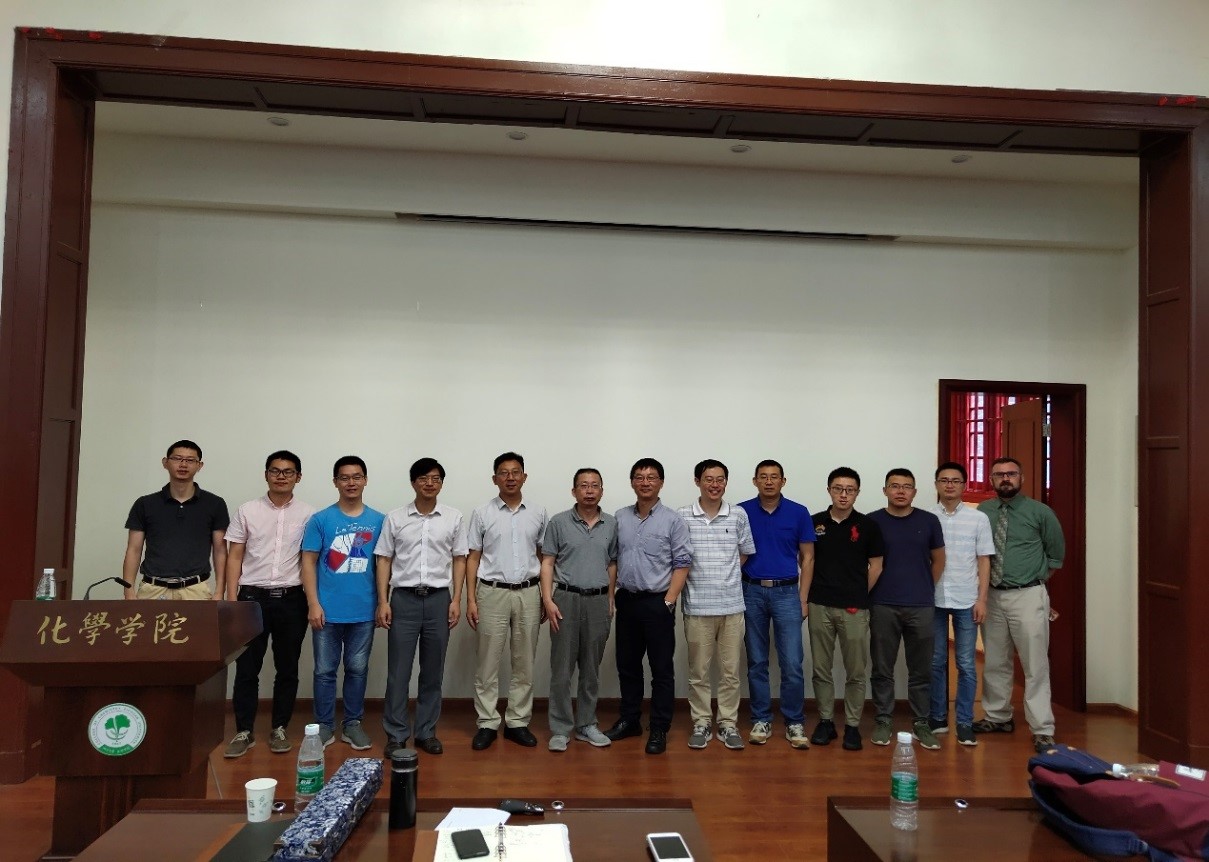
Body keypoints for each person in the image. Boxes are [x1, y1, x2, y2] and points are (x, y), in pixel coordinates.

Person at [222, 451, 315, 758]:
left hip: (292, 599)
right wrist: (231, 599)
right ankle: (244, 731)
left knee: (287, 668)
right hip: (252, 599)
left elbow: (310, 560)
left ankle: (279, 728)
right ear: (266, 475)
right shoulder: (247, 510)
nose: (281, 476)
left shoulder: (309, 515)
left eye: (288, 472)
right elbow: (234, 556)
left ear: (298, 477)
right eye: (275, 471)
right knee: (247, 667)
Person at [374, 458, 467, 758]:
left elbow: (460, 559)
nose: (430, 483)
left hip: (439, 599)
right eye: (424, 478)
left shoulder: (453, 517)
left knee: (432, 671)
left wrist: (456, 599)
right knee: (398, 672)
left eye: (436, 478)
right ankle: (396, 734)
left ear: (441, 483)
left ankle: (426, 732)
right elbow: (384, 559)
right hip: (403, 599)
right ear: (413, 482)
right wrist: (383, 601)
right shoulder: (395, 518)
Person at [974, 456, 1065, 753]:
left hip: (1028, 595)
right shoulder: (983, 512)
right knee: (995, 660)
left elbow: (1055, 555)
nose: (1005, 478)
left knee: (1034, 664)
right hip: (992, 595)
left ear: (1021, 478)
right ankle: (998, 716)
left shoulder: (1040, 512)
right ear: (991, 479)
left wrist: (1034, 580)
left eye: (1011, 473)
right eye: (999, 474)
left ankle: (1042, 728)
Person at [605, 457, 692, 755]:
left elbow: (683, 563)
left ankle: (659, 727)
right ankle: (630, 720)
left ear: (661, 483)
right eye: (639, 477)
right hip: (627, 600)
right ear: (632, 482)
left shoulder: (673, 520)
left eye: (651, 477)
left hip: (658, 602)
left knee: (661, 669)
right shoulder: (619, 517)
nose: (645, 482)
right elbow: (613, 559)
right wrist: (611, 596)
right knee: (627, 665)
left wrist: (669, 600)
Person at [301, 456, 385, 749]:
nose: (351, 483)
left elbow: (384, 565)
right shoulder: (321, 520)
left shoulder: (379, 521)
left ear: (365, 480)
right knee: (324, 671)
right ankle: (324, 726)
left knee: (357, 669)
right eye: (345, 477)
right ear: (335, 482)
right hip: (327, 611)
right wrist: (313, 603)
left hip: (363, 610)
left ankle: (352, 724)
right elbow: (308, 562)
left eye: (357, 477)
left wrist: (382, 602)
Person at [466, 452, 547, 750]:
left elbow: (544, 557)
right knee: (487, 661)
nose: (510, 477)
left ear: (524, 476)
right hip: (491, 592)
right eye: (504, 472)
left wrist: (546, 596)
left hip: (529, 592)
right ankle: (487, 722)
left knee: (524, 661)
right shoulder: (482, 513)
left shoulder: (539, 512)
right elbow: (472, 557)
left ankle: (517, 722)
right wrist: (470, 599)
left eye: (515, 472)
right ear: (494, 478)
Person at [678, 459, 755, 751]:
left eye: (720, 479)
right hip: (697, 607)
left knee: (730, 671)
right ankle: (701, 722)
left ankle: (728, 723)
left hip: (732, 607)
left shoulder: (738, 515)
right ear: (697, 481)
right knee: (698, 671)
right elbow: (678, 558)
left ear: (726, 482)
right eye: (708, 479)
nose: (715, 485)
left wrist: (725, 575)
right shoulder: (682, 516)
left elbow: (744, 552)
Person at [739, 459, 815, 750]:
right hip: (751, 591)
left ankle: (794, 721)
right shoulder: (742, 511)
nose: (769, 481)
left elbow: (808, 557)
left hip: (787, 593)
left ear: (784, 481)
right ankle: (761, 719)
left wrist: (803, 598)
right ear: (755, 481)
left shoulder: (799, 512)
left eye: (774, 477)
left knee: (792, 662)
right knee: (757, 661)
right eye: (763, 476)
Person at [539, 468, 618, 752]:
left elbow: (612, 563)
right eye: (583, 485)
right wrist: (547, 600)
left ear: (601, 491)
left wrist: (610, 596)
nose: (589, 490)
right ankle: (560, 728)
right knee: (562, 668)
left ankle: (586, 724)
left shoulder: (611, 524)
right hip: (565, 599)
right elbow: (548, 562)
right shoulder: (559, 522)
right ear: (574, 491)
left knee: (591, 668)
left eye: (594, 485)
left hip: (598, 601)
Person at [807, 467, 884, 751]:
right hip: (819, 604)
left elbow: (877, 565)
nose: (843, 494)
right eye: (838, 488)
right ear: (829, 490)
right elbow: (806, 560)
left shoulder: (868, 525)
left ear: (857, 493)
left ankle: (852, 725)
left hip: (854, 607)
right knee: (821, 668)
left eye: (849, 490)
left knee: (856, 670)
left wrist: (859, 592)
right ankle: (826, 721)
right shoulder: (815, 522)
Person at [868, 468, 945, 750]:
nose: (900, 491)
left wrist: (924, 588)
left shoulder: (929, 521)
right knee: (882, 668)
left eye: (907, 486)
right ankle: (883, 719)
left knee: (921, 669)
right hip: (882, 604)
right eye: (894, 486)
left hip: (920, 606)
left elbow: (939, 560)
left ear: (914, 491)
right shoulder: (872, 521)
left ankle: (921, 722)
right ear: (885, 490)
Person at [928, 461, 993, 747]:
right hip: (933, 598)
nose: (949, 485)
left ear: (964, 485)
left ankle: (965, 722)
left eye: (955, 480)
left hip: (967, 599)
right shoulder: (927, 517)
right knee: (935, 661)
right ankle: (938, 717)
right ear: (936, 485)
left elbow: (984, 560)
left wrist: (982, 599)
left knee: (966, 664)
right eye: (944, 480)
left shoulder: (978, 519)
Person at [122, 440, 229, 600]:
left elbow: (220, 551)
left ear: (199, 465)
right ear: (165, 462)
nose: (183, 464)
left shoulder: (215, 504)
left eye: (190, 460)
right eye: (177, 458)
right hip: (152, 590)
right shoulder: (145, 504)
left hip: (196, 590)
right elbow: (134, 549)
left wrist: (220, 592)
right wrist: (128, 591)